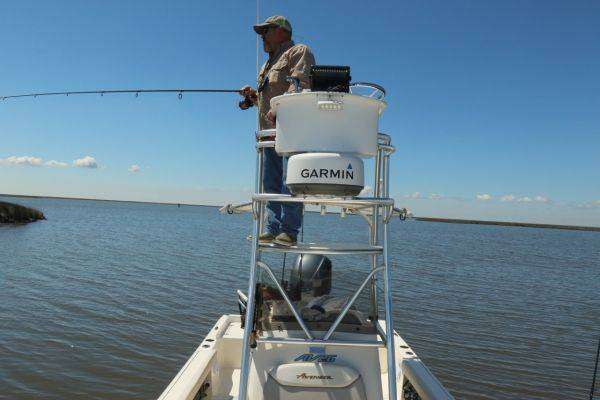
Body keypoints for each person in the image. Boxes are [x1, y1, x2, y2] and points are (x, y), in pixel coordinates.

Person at [239, 15, 315, 246]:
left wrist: (279, 108)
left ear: (282, 31)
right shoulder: (267, 65)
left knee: (289, 182)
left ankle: (289, 232)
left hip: (291, 133)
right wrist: (251, 97)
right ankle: (272, 229)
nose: (262, 36)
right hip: (267, 136)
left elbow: (300, 83)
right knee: (270, 185)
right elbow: (266, 97)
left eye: (266, 30)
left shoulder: (298, 51)